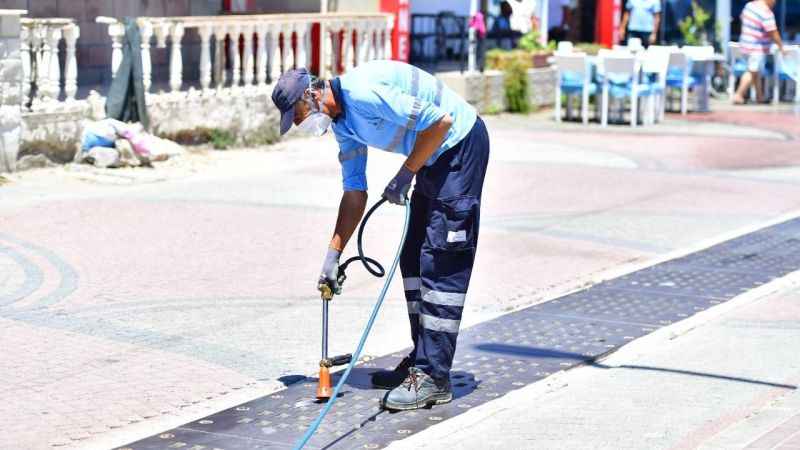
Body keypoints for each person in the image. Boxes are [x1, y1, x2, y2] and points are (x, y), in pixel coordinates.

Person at [271, 61, 490, 411]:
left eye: (296, 115)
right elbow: (355, 192)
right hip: (435, 155)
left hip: (460, 146)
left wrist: (404, 175)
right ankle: (423, 358)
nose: (298, 123)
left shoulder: (362, 93)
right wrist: (333, 254)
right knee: (413, 255)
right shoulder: (344, 126)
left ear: (311, 94)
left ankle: (434, 375)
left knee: (440, 258)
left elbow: (440, 122)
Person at [734, 0, 786, 104]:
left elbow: (741, 17)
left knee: (755, 72)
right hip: (756, 47)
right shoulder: (766, 13)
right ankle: (738, 95)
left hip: (745, 44)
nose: (775, 2)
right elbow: (773, 32)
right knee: (751, 72)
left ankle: (760, 97)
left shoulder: (749, 6)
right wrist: (781, 47)